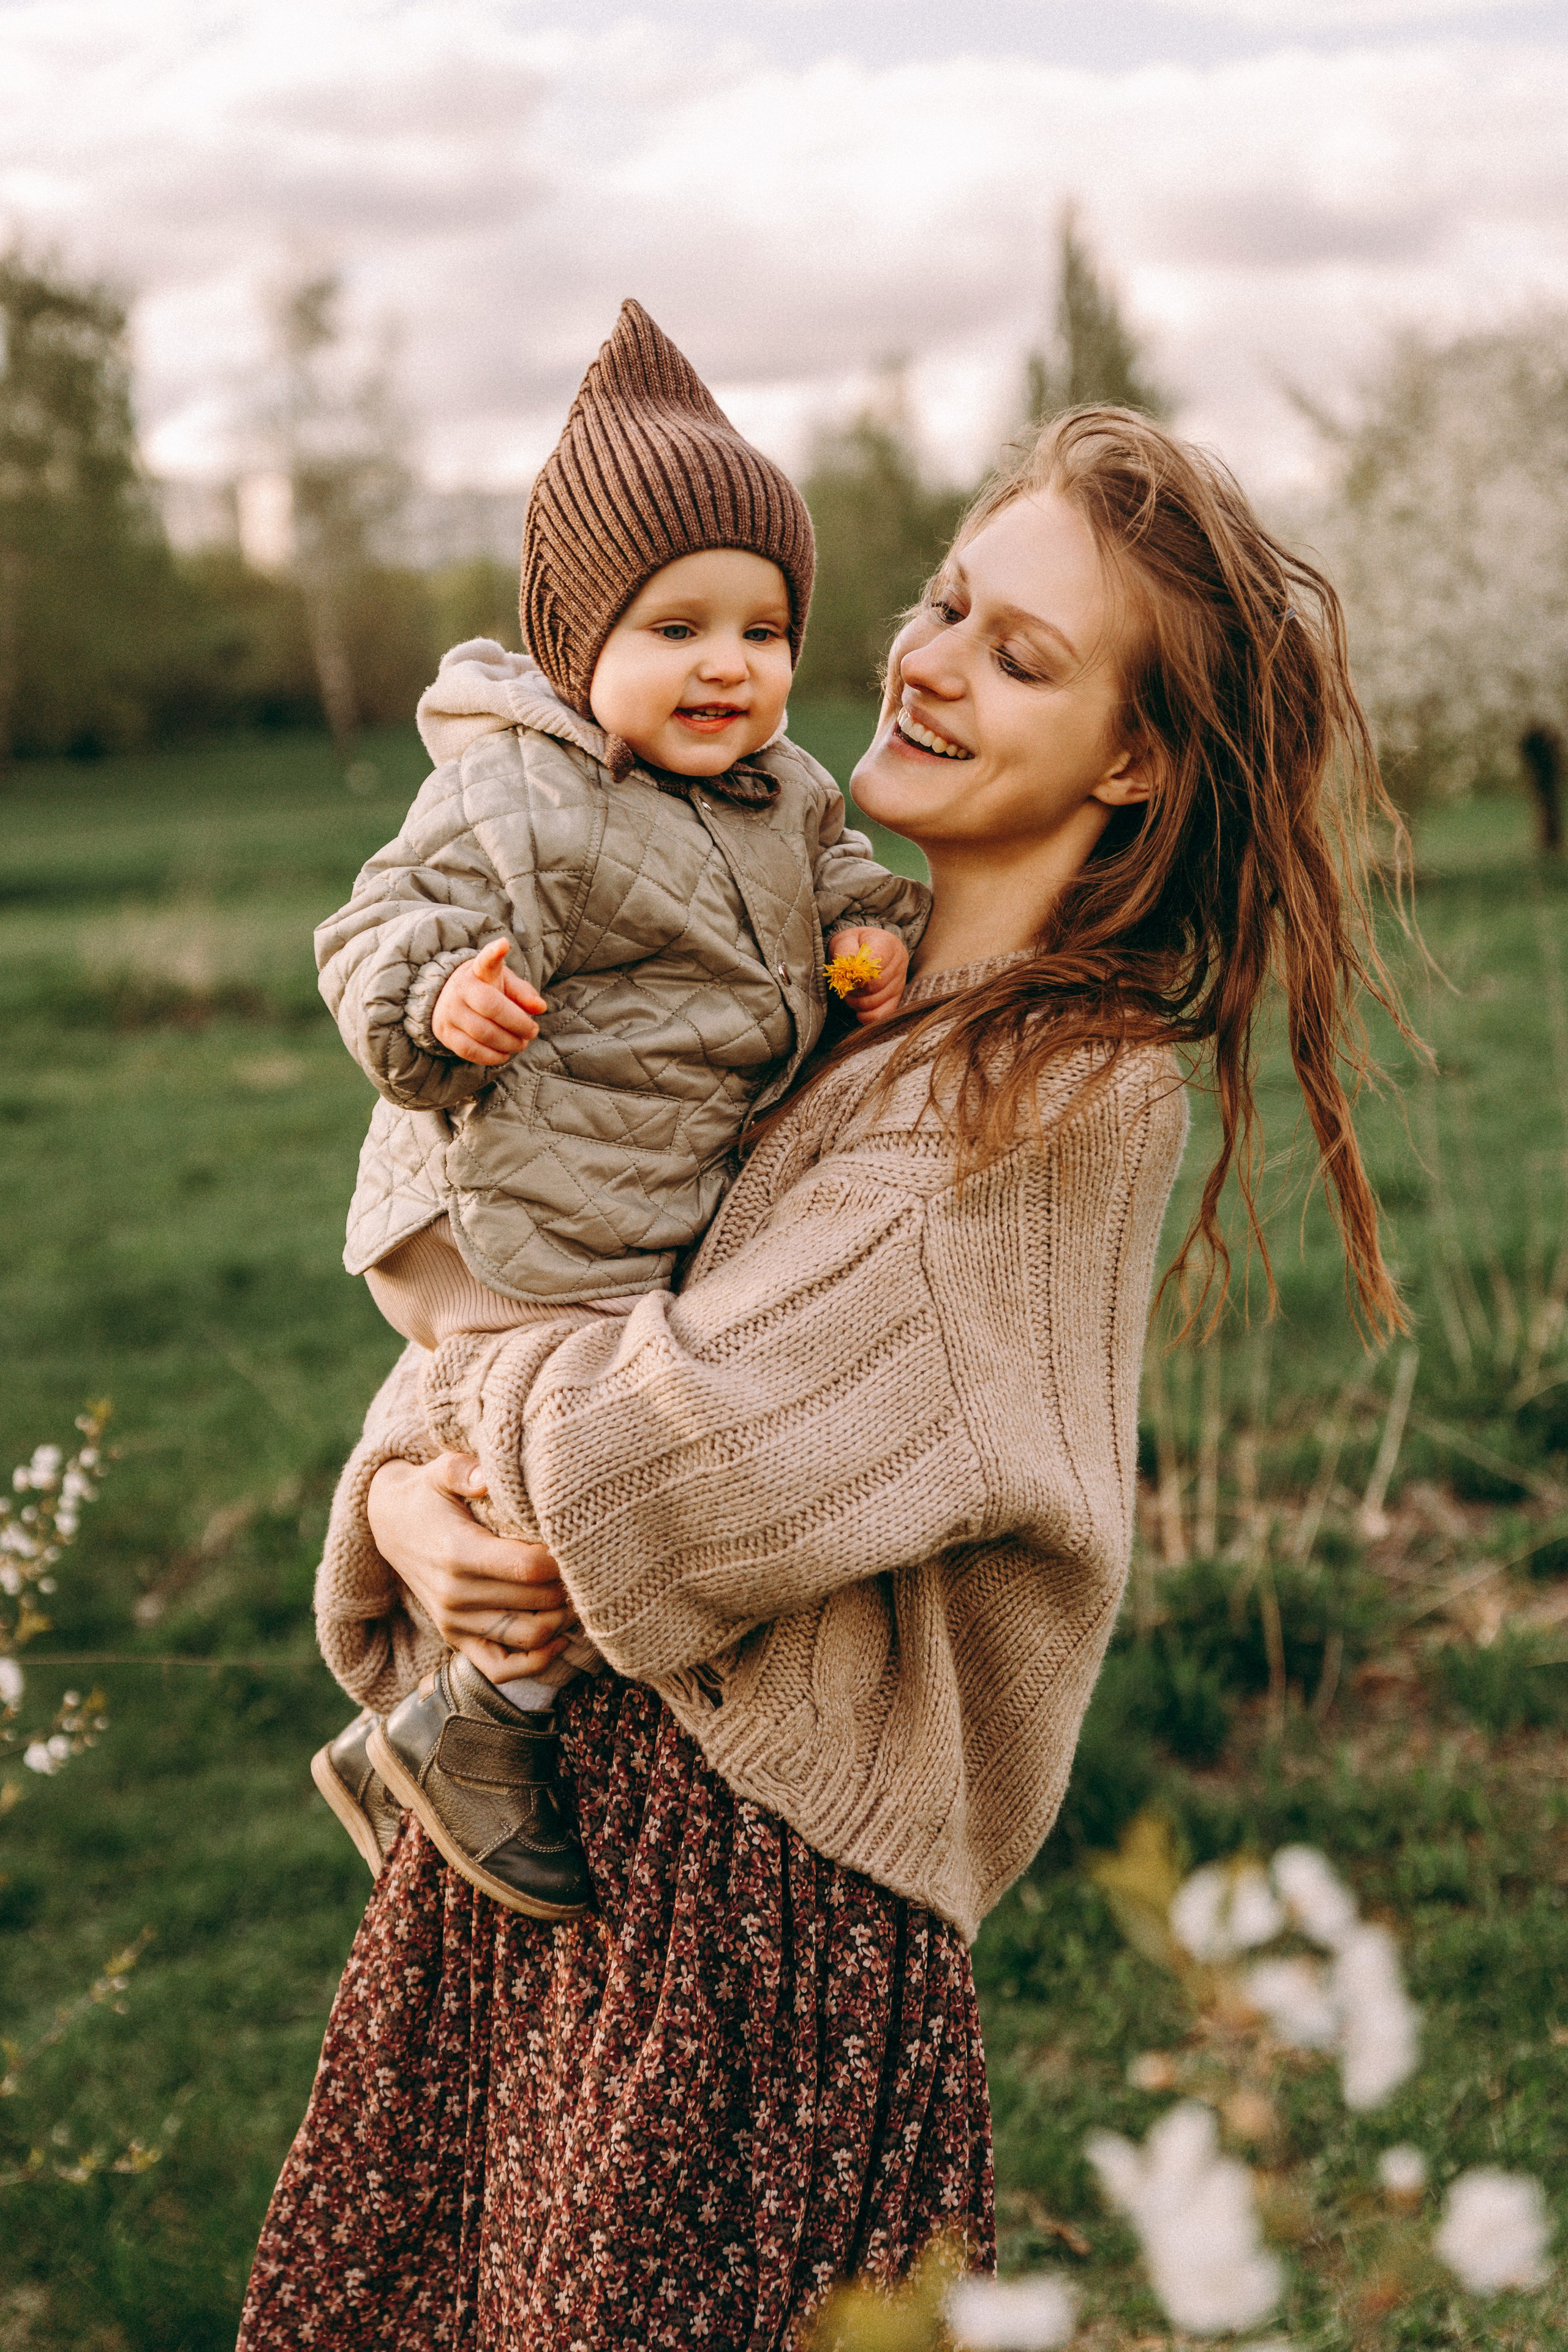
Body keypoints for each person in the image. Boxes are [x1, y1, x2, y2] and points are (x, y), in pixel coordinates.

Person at [239, 405, 1406, 2352]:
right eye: (948, 598)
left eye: (1020, 654)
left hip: (751, 1944)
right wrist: (403, 1505)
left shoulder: (1054, 1088)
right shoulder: (826, 1012)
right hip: (562, 1847)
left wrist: (441, 1427)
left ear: (1133, 757)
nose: (931, 658)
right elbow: (545, 1291)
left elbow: (663, 1463)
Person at [307, 300, 929, 1920]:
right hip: (511, 1197)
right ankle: (471, 1722)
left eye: (766, 629)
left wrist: (874, 941)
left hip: (630, 1202)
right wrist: (435, 1006)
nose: (732, 666)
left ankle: (459, 1721)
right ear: (584, 647)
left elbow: (846, 879)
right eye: (678, 629)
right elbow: (379, 926)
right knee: (587, 1443)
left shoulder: (784, 791)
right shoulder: (523, 787)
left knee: (602, 1443)